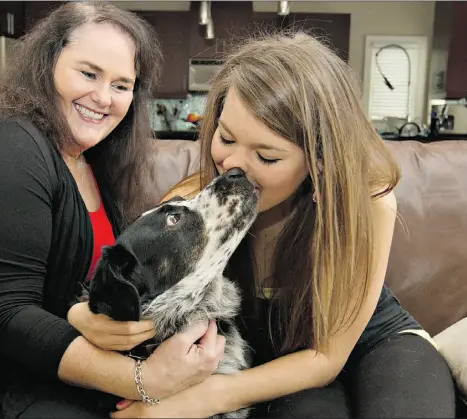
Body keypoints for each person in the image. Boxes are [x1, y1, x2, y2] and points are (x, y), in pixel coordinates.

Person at [0, 3, 224, 418]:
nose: (103, 97)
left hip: (13, 365)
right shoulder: (6, 146)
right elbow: (8, 313)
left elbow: (58, 289)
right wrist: (144, 380)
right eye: (88, 73)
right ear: (46, 65)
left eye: (122, 84)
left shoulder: (94, 163)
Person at [112, 32, 456, 418]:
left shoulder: (368, 203)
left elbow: (326, 357)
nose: (235, 167)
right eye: (226, 138)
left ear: (319, 161)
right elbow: (143, 306)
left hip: (373, 346)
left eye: (267, 156)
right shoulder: (193, 206)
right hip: (271, 368)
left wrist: (205, 397)